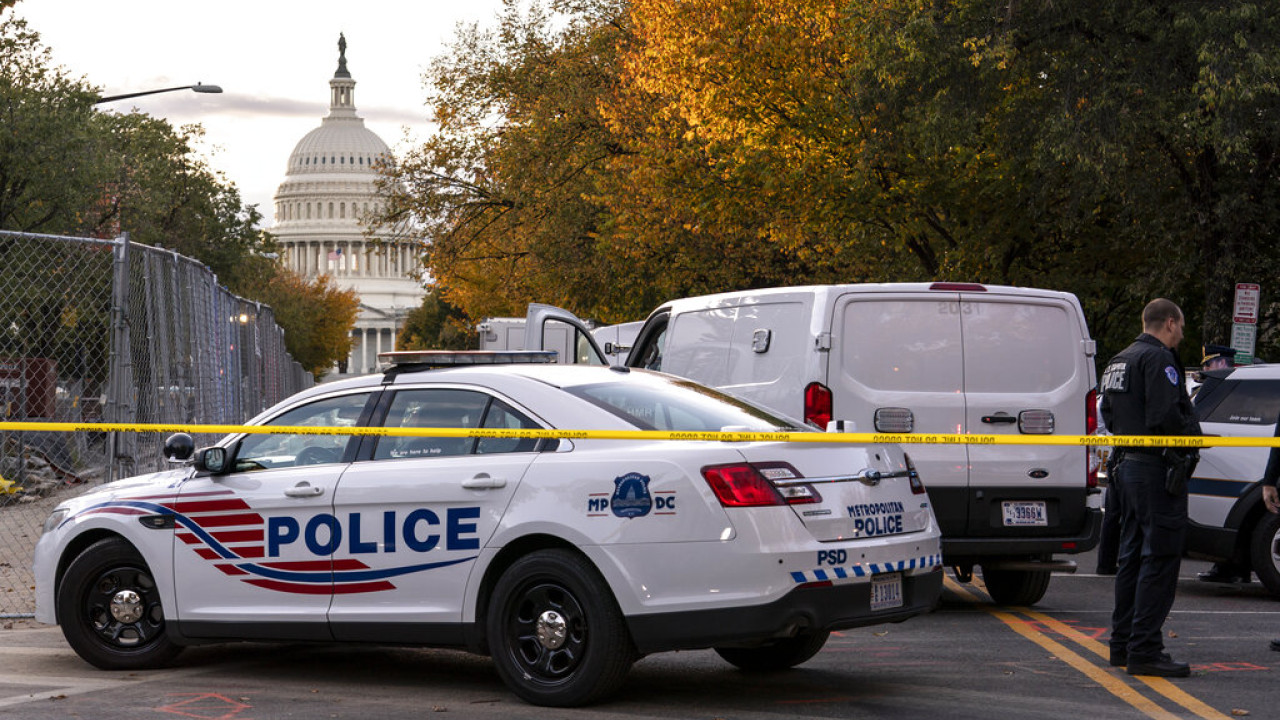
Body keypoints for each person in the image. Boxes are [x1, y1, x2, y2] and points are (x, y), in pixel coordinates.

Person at [1099, 298, 1201, 678]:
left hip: (1126, 467)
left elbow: (1107, 415)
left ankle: (1123, 644)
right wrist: (1193, 437)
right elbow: (1166, 416)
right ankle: (1145, 649)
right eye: (1182, 328)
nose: (1181, 336)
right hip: (1155, 469)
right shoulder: (1158, 359)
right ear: (1170, 323)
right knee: (1159, 559)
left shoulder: (1118, 360)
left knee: (1132, 558)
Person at [1195, 344, 1253, 584]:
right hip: (1246, 460)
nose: (1207, 368)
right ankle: (1237, 568)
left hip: (1227, 460)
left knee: (1225, 516)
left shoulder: (1219, 385)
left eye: (1209, 363)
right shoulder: (1246, 379)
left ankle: (1228, 567)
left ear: (1220, 363)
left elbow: (1194, 416)